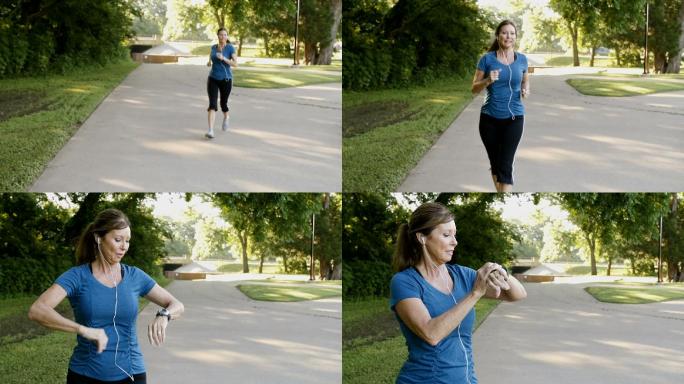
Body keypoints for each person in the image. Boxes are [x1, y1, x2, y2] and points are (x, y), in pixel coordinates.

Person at [28, 209, 185, 384]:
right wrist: (83, 330)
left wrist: (164, 315)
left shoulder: (135, 276)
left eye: (127, 241)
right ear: (98, 238)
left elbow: (176, 304)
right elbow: (38, 310)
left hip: (132, 373)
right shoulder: (77, 277)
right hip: (85, 374)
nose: (124, 246)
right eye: (118, 239)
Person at [390, 202, 526, 384]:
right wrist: (475, 293)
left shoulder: (462, 275)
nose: (455, 242)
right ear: (422, 238)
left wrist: (499, 270)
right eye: (446, 235)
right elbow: (431, 334)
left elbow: (516, 294)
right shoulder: (405, 282)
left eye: (455, 234)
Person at [471, 20, 530, 192]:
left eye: (512, 33)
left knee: (505, 166)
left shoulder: (522, 60)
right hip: (489, 119)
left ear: (515, 37)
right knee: (496, 164)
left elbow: (526, 82)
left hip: (514, 119)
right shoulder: (487, 59)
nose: (508, 36)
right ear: (498, 36)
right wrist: (488, 80)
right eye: (504, 32)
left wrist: (525, 90)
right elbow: (474, 88)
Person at [205, 27, 238, 139]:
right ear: (217, 36)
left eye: (225, 35)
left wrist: (223, 58)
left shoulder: (230, 48)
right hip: (213, 78)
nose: (222, 37)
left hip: (226, 79)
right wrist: (209, 62)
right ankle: (210, 131)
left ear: (227, 36)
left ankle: (226, 117)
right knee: (212, 105)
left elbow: (235, 64)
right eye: (220, 35)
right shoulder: (213, 47)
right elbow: (211, 58)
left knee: (223, 104)